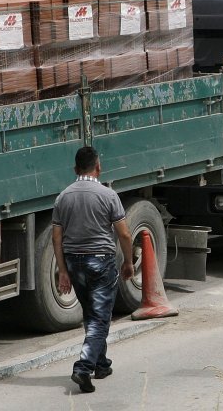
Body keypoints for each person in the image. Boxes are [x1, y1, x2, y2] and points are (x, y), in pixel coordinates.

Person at [52, 146, 134, 393]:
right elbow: (125, 234)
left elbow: (57, 238)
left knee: (92, 314)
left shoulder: (63, 197)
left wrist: (63, 271)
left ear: (75, 169)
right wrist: (129, 262)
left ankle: (101, 364)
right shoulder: (108, 195)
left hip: (74, 262)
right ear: (98, 166)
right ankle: (83, 367)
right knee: (100, 317)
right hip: (100, 261)